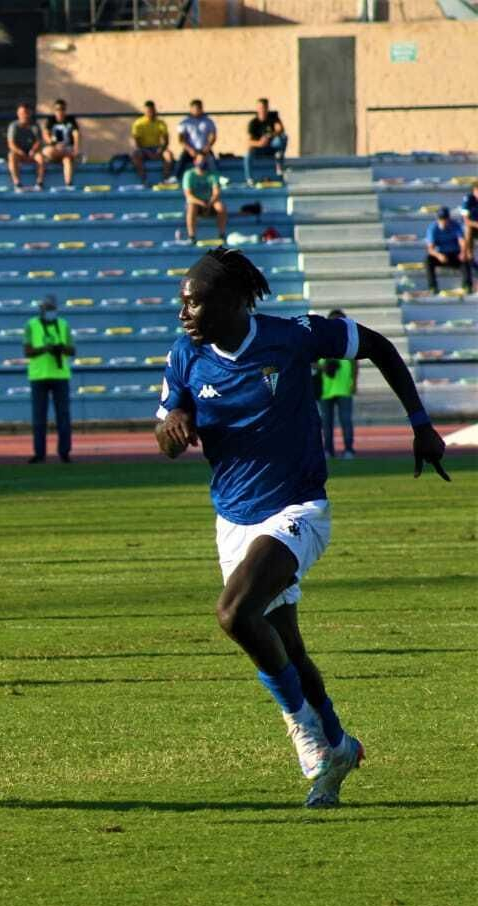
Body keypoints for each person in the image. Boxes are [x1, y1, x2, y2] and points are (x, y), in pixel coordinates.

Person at [154, 247, 450, 807]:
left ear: (233, 301)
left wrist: (420, 423)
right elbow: (167, 435)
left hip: (298, 510)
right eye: (182, 304)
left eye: (194, 303)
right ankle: (338, 745)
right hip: (233, 518)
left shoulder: (291, 336)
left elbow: (378, 346)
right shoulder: (184, 356)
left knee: (233, 613)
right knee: (286, 644)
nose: (183, 314)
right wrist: (174, 425)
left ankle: (302, 729)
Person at [24, 295, 74, 463]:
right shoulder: (31, 325)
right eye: (47, 309)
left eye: (52, 308)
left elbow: (72, 350)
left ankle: (64, 452)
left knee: (63, 417)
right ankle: (40, 453)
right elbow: (27, 351)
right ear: (41, 309)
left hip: (60, 376)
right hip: (39, 376)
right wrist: (45, 349)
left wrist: (61, 349)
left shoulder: (63, 325)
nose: (49, 312)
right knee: (39, 417)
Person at [317, 309, 356, 459]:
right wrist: (323, 368)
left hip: (344, 386)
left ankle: (349, 450)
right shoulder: (321, 339)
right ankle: (328, 450)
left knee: (346, 420)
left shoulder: (349, 340)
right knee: (326, 423)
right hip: (326, 388)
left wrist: (354, 382)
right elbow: (312, 362)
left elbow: (354, 363)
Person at [424, 206, 473, 294]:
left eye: (445, 219)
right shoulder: (433, 228)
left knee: (465, 260)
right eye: (441, 219)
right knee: (428, 260)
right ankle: (432, 286)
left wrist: (462, 252)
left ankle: (467, 285)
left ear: (448, 219)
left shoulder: (455, 226)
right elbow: (430, 249)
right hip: (441, 255)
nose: (443, 221)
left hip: (454, 254)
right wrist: (438, 255)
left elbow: (462, 241)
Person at [183, 152, 228, 242]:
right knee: (191, 206)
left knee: (221, 207)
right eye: (200, 160)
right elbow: (188, 196)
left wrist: (210, 202)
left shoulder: (213, 174)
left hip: (210, 202)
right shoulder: (189, 174)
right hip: (197, 203)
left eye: (204, 160)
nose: (203, 163)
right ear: (195, 161)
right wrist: (201, 203)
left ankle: (222, 234)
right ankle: (192, 236)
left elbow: (216, 193)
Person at [244, 97, 287, 184]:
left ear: (267, 108)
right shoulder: (253, 123)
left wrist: (270, 135)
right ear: (257, 109)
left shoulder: (273, 118)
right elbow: (248, 141)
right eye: (260, 108)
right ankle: (249, 178)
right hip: (259, 148)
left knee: (283, 138)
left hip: (271, 147)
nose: (262, 110)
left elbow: (280, 129)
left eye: (264, 108)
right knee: (248, 154)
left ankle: (279, 161)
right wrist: (259, 143)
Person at [130, 100, 173, 184]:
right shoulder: (138, 123)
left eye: (152, 111)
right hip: (143, 149)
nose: (150, 113)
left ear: (155, 110)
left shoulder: (160, 123)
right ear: (144, 111)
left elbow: (166, 141)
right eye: (148, 111)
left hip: (157, 148)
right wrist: (147, 152)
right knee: (135, 155)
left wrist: (160, 150)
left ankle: (166, 179)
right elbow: (136, 143)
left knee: (168, 155)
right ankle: (144, 180)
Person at [42, 99, 82, 187]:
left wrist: (76, 148)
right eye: (57, 109)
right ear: (54, 110)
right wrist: (55, 144)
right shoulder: (51, 120)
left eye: (62, 109)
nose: (60, 112)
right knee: (46, 151)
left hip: (67, 148)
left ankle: (68, 184)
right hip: (55, 150)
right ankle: (72, 155)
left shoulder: (71, 120)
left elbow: (76, 134)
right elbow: (45, 135)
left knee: (67, 160)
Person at [6, 103, 46, 190]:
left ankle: (39, 182)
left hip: (32, 153)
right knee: (11, 156)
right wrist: (19, 152)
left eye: (26, 113)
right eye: (21, 113)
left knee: (40, 157)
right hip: (19, 153)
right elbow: (11, 143)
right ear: (18, 114)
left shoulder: (35, 126)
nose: (24, 116)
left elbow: (39, 141)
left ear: (30, 113)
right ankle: (17, 183)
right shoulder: (13, 126)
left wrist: (33, 150)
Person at [176, 99, 218, 178]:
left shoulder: (208, 121)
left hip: (204, 149)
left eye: (199, 109)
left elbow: (213, 136)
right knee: (181, 160)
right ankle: (176, 177)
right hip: (190, 150)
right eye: (195, 109)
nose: (197, 111)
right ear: (191, 109)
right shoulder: (185, 122)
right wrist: (189, 149)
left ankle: (216, 178)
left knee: (212, 160)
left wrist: (207, 147)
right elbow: (181, 139)